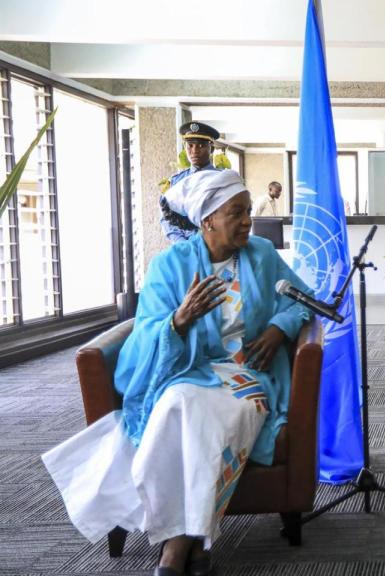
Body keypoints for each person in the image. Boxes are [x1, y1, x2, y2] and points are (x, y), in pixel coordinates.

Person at [43, 169, 312, 576]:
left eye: (246, 212)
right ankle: (197, 545)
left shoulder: (262, 256)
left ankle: (174, 550)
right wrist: (179, 320)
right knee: (177, 406)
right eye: (236, 213)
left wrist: (279, 329)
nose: (247, 222)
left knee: (210, 416)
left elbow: (302, 301)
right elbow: (146, 328)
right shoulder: (170, 266)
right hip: (189, 372)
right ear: (207, 221)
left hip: (248, 378)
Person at [160, 122, 224, 242]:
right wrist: (182, 243)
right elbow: (166, 218)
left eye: (201, 146)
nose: (194, 151)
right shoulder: (176, 181)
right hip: (183, 247)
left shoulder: (223, 179)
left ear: (212, 149)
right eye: (190, 145)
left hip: (216, 245)